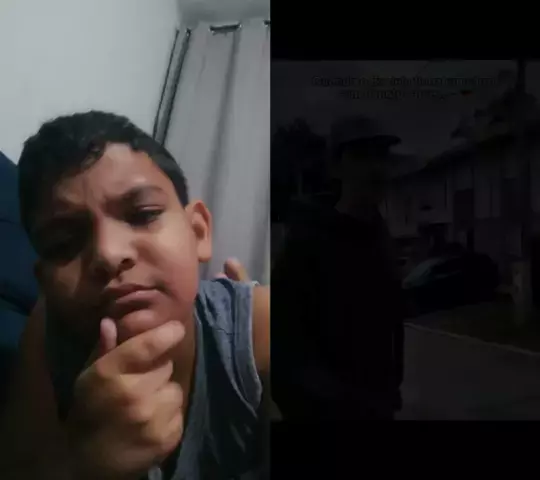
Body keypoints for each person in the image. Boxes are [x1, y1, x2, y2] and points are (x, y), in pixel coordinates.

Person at [0, 111, 270, 480]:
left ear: (198, 232)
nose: (108, 254)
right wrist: (81, 464)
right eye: (64, 243)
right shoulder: (49, 330)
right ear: (45, 282)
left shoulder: (257, 333)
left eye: (143, 214)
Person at [272, 115, 404, 420]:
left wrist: (391, 387)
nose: (375, 168)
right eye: (361, 156)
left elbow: (389, 322)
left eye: (381, 156)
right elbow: (284, 350)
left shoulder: (380, 237)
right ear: (336, 168)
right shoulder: (307, 242)